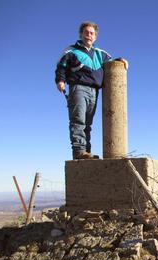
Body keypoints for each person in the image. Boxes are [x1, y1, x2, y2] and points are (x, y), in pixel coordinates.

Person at [55, 21, 128, 159]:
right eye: (86, 32)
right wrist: (60, 80)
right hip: (78, 88)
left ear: (95, 36)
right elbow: (61, 66)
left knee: (88, 123)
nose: (89, 35)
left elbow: (111, 62)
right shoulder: (71, 51)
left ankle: (86, 151)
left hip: (94, 91)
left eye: (92, 33)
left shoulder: (101, 54)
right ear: (81, 34)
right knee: (78, 119)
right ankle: (78, 150)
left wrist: (121, 60)